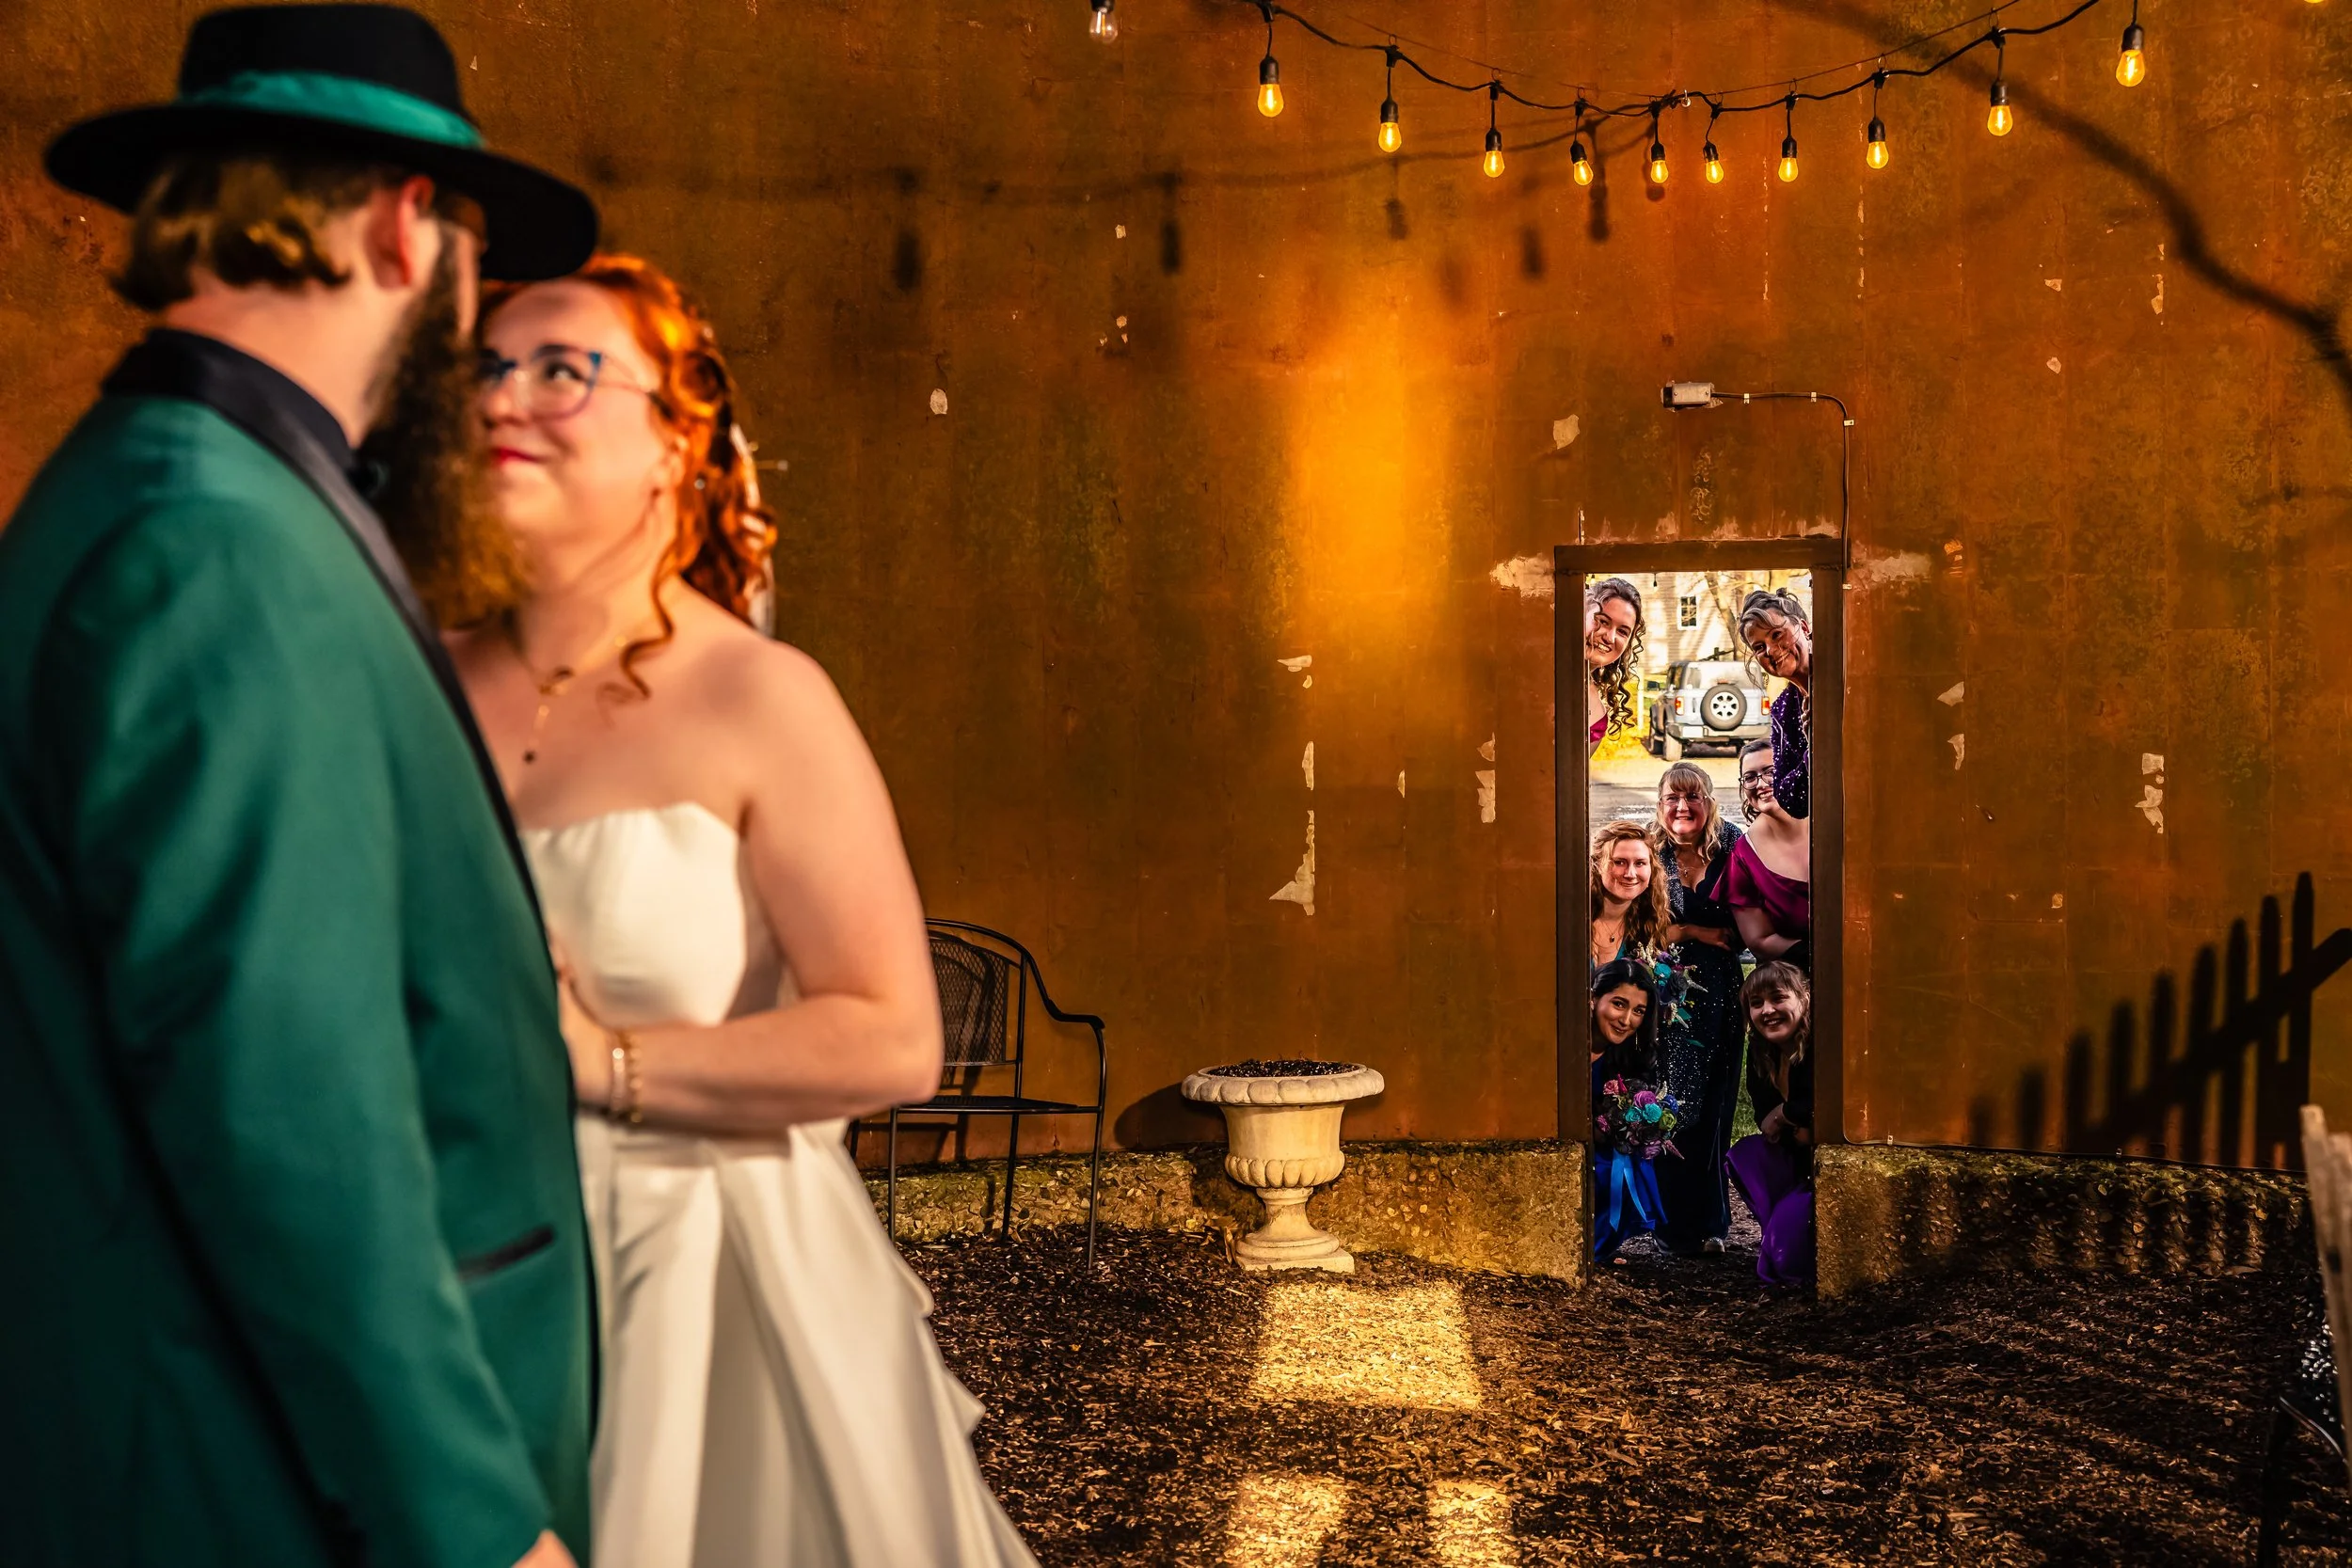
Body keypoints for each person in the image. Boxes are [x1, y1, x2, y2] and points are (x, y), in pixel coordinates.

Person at [0, 8, 599, 1566]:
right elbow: (288, 1124)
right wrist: (482, 1532)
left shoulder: (188, 488)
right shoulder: (220, 547)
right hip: (257, 1488)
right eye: (474, 261)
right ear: (413, 228)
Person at [453, 252, 1041, 1568]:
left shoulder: (762, 700)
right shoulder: (417, 683)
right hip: (457, 1267)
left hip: (700, 1289)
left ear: (676, 438)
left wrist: (592, 1057)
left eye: (560, 370)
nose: (504, 402)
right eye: (486, 371)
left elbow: (894, 1036)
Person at [1649, 763, 1747, 1256]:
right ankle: (1669, 1224)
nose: (1682, 807)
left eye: (1693, 797)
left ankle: (1709, 1223)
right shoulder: (1648, 851)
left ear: (1709, 801)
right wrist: (1694, 932)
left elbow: (1750, 921)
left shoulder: (1735, 846)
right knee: (1671, 1103)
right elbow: (1641, 929)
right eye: (1672, 798)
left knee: (1714, 1105)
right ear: (1659, 802)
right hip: (1666, 998)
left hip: (1723, 997)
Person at [1727, 962, 1817, 1288]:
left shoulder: (1821, 1045)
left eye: (1778, 998)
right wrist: (1791, 1121)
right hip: (1795, 1156)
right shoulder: (1762, 1051)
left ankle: (1790, 1226)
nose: (1767, 1010)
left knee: (1784, 1266)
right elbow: (1763, 1121)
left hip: (1823, 1167)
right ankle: (1780, 1222)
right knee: (1745, 1155)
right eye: (1756, 1003)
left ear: (1804, 998)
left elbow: (1815, 1108)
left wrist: (1785, 1115)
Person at [1588, 958, 1666, 1261]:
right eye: (1619, 1004)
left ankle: (1594, 1250)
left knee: (1631, 1168)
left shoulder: (1628, 1056)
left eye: (1639, 1011)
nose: (1627, 1020)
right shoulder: (1564, 1045)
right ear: (1593, 998)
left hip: (1604, 1145)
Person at [1724, 739, 1812, 974]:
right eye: (1750, 777)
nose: (1760, 784)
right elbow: (1759, 941)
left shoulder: (1832, 824)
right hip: (1791, 980)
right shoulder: (1744, 855)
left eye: (1771, 772)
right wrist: (1818, 954)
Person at [1738, 585, 1814, 819]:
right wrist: (1814, 750)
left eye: (1777, 635)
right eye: (1759, 647)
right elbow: (1789, 798)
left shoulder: (1843, 678)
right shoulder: (1783, 709)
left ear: (1803, 627)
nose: (1770, 650)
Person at [1589, 818, 1670, 973]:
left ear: (1652, 869)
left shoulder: (1647, 922)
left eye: (1640, 863)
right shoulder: (1574, 916)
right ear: (1597, 865)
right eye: (1619, 862)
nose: (1630, 874)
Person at [1582, 575, 1645, 752]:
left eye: (1623, 632)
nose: (1610, 637)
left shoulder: (1598, 719)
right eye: (1602, 621)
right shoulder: (1542, 672)